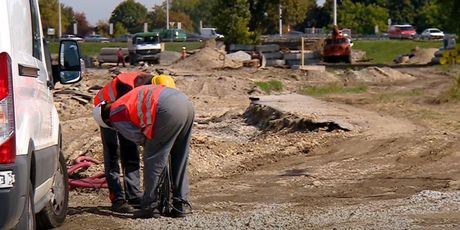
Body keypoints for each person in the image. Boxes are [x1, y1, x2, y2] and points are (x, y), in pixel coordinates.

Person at [92, 75, 194, 219]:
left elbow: (139, 139)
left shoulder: (115, 113)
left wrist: (156, 150)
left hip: (165, 110)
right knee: (180, 157)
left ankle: (150, 207)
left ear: (107, 120)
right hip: (185, 103)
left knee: (153, 159)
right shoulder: (134, 90)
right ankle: (180, 205)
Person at [93, 71, 154, 213]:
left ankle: (133, 195)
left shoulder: (145, 83)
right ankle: (117, 199)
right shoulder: (126, 84)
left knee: (131, 150)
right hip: (104, 111)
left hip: (120, 110)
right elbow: (123, 110)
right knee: (113, 153)